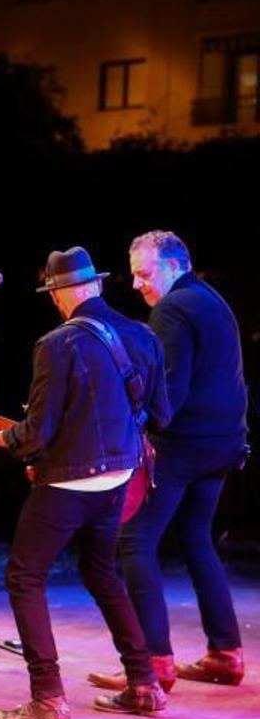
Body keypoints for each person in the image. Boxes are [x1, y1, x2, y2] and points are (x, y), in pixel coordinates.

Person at [0, 246, 170, 719]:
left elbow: (37, 433)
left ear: (61, 294)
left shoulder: (55, 344)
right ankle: (144, 684)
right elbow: (162, 414)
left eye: (53, 294)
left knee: (24, 577)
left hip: (69, 484)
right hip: (120, 478)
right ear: (94, 285)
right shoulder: (142, 334)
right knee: (102, 572)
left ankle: (48, 698)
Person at [90, 231, 249, 692]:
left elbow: (169, 394)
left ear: (175, 266)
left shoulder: (173, 309)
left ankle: (152, 663)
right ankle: (226, 653)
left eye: (145, 273)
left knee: (135, 539)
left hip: (186, 444)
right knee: (197, 537)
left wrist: (131, 429)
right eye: (134, 274)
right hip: (223, 442)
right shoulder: (211, 299)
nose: (137, 284)